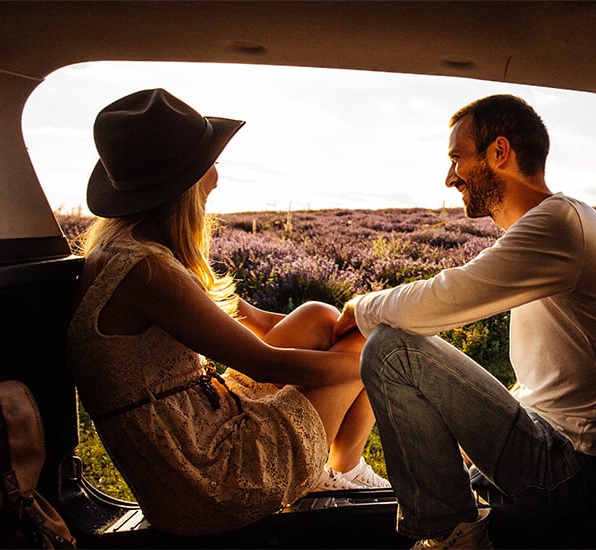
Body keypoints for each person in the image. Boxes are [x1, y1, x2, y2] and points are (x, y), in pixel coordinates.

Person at [65, 88, 388, 536]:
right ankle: (340, 471)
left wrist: (326, 333)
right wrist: (375, 365)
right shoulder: (148, 272)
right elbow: (262, 362)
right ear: (184, 184)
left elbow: (252, 323)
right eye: (208, 162)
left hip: (198, 437)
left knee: (317, 315)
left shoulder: (123, 253)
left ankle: (335, 471)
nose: (216, 174)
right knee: (369, 346)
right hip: (211, 479)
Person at [334, 94, 596, 549]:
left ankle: (450, 537)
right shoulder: (554, 223)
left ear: (499, 152)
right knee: (399, 348)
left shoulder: (559, 225)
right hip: (550, 442)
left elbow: (445, 296)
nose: (450, 176)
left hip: (563, 469)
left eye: (458, 158)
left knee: (391, 351)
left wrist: (359, 308)